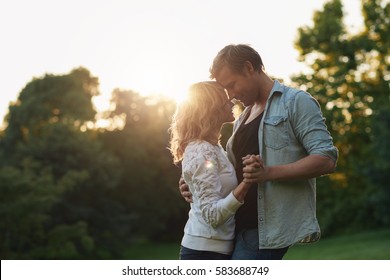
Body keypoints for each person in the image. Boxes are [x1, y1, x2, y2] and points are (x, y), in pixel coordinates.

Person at [179, 44, 339, 260]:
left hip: (265, 230)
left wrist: (269, 173)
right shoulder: (242, 118)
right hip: (234, 229)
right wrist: (194, 183)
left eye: (232, 85)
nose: (232, 95)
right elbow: (229, 172)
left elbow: (326, 159)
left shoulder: (296, 102)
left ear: (248, 68)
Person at [169, 81, 258, 260]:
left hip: (216, 249)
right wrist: (248, 182)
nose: (232, 102)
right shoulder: (202, 150)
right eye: (226, 100)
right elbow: (212, 216)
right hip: (204, 252)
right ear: (211, 107)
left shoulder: (214, 148)